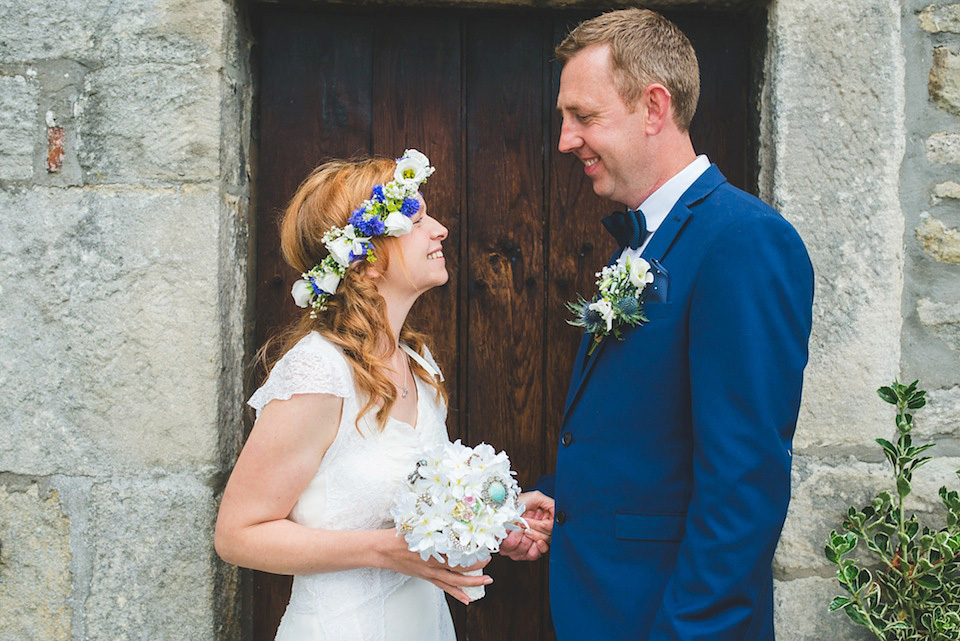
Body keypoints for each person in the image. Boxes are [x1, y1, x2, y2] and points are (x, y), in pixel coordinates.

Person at [501, 9, 814, 641]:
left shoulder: (743, 241)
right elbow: (648, 440)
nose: (564, 140)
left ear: (653, 107)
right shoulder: (639, 247)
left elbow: (743, 484)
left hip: (668, 621)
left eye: (583, 117)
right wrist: (566, 503)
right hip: (608, 608)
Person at [214, 151, 490, 641]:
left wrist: (492, 512)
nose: (440, 229)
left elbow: (422, 509)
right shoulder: (319, 371)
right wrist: (381, 550)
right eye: (416, 218)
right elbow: (238, 535)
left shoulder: (419, 366)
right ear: (364, 261)